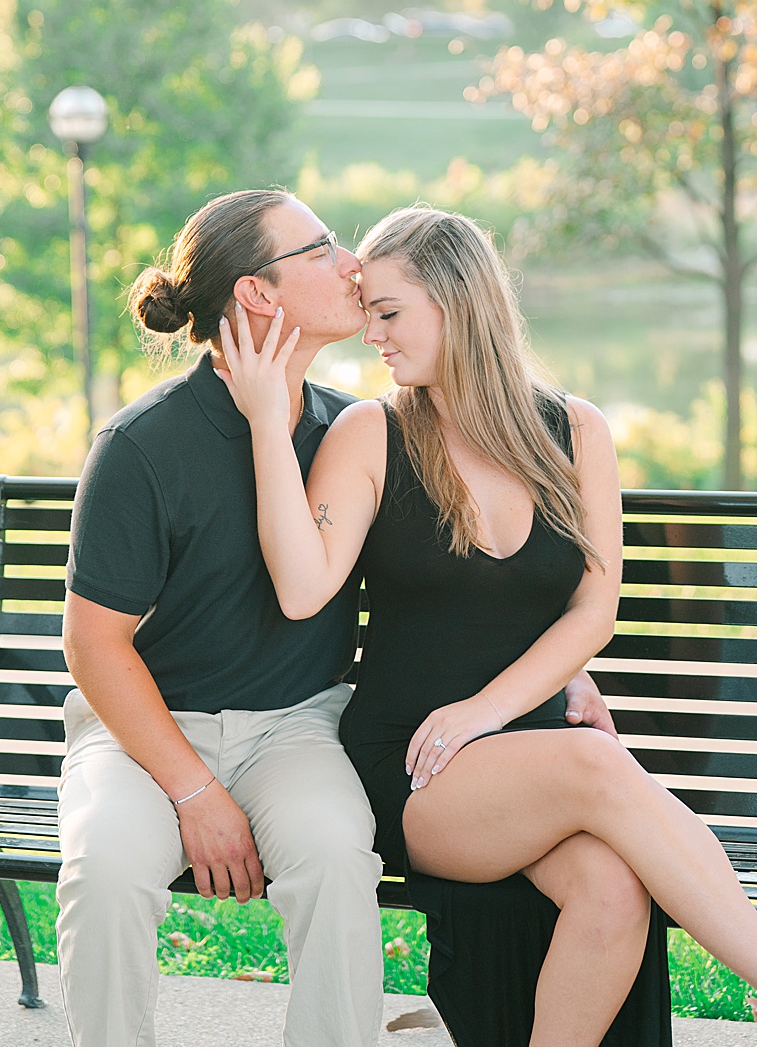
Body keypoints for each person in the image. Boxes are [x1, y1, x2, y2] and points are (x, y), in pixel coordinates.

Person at [58, 189, 619, 1046]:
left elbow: (452, 576)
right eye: (321, 250)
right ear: (257, 294)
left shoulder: (345, 431)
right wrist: (193, 788)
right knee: (106, 872)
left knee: (334, 858)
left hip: (298, 730)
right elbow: (93, 646)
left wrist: (560, 662)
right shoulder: (143, 446)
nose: (351, 263)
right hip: (143, 738)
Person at [216, 204, 756, 1044]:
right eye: (369, 317)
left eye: (389, 314)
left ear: (459, 303)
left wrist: (489, 710)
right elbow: (298, 587)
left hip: (537, 759)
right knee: (594, 759)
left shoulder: (576, 430)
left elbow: (593, 609)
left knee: (613, 890)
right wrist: (263, 422)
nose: (375, 339)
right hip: (416, 765)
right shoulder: (373, 432)